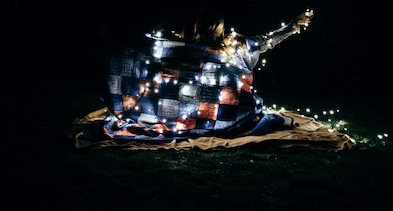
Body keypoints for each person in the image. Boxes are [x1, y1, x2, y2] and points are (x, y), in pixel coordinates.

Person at [99, 8, 314, 140]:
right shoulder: (228, 46)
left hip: (181, 117)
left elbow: (137, 51)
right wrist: (293, 26)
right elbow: (267, 41)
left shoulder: (175, 46)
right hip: (229, 118)